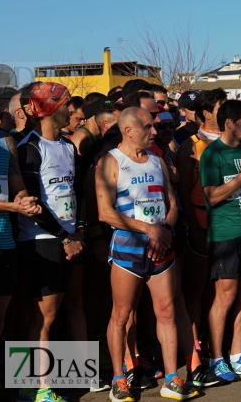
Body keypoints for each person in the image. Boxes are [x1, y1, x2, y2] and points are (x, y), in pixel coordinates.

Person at [96, 107, 199, 401]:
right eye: (148, 127)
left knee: (166, 312)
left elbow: (172, 203)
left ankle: (171, 377)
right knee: (121, 315)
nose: (154, 131)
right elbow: (105, 213)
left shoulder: (156, 160)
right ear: (128, 130)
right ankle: (118, 379)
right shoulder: (110, 162)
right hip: (129, 249)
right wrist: (148, 229)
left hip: (161, 247)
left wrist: (164, 229)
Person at [17, 83, 85, 402]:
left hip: (70, 237)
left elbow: (77, 191)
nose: (71, 110)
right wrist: (64, 236)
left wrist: (79, 230)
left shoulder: (69, 145)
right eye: (66, 105)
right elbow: (31, 205)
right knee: (42, 315)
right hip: (42, 239)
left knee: (65, 309)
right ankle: (34, 386)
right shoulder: (29, 147)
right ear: (48, 109)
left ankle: (72, 377)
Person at [200, 100, 241, 380]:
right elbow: (212, 197)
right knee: (225, 297)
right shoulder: (212, 154)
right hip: (224, 234)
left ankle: (238, 355)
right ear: (229, 123)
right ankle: (216, 358)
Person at [0, 83, 41, 393]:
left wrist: (25, 200)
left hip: (4, 242)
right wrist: (13, 205)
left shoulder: (6, 141)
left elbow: (16, 183)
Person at [176, 89, 226, 356]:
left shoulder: (235, 141)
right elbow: (183, 191)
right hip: (200, 224)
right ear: (207, 113)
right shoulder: (191, 146)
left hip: (229, 225)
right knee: (196, 288)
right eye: (222, 107)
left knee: (220, 288)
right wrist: (193, 227)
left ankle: (214, 339)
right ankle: (194, 345)